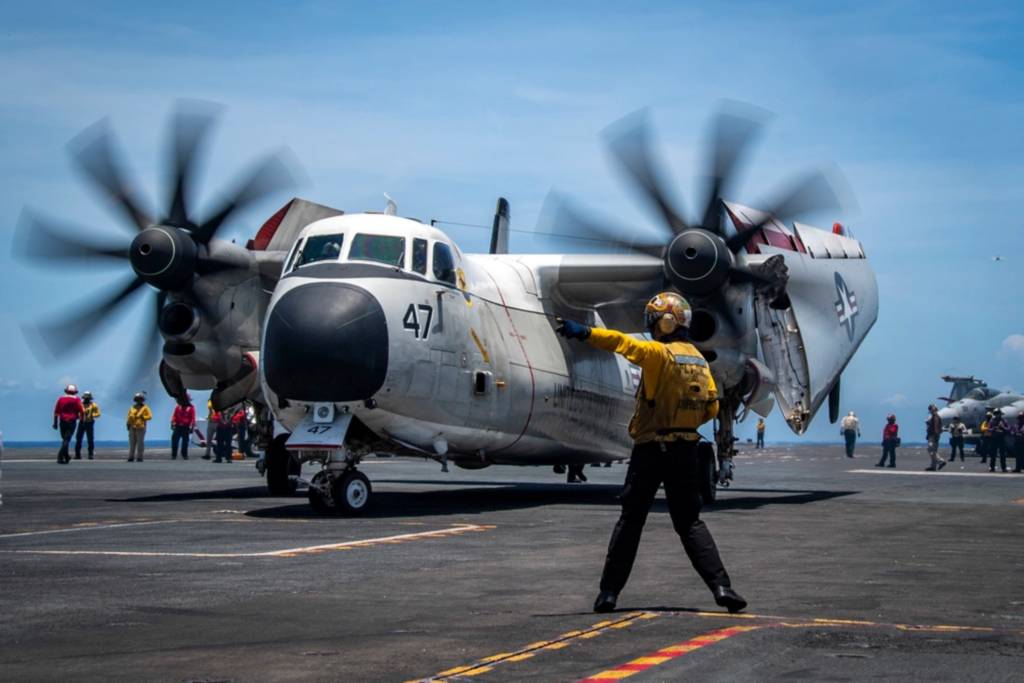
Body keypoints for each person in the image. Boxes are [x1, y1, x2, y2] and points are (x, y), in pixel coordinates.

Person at [556, 292, 746, 614]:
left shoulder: (659, 354)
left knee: (631, 521)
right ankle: (722, 587)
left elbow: (621, 343)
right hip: (686, 450)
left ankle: (608, 593)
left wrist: (584, 332)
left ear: (666, 322)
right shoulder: (699, 360)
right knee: (690, 523)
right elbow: (712, 406)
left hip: (651, 450)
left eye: (655, 321)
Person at [53, 384, 84, 464]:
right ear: (74, 392)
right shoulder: (76, 399)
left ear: (66, 391)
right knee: (67, 440)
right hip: (71, 421)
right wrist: (82, 419)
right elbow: (82, 411)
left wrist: (55, 423)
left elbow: (56, 412)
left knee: (64, 439)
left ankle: (66, 456)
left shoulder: (61, 399)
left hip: (62, 421)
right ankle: (60, 456)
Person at [74, 391, 101, 460]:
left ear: (90, 398)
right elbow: (76, 412)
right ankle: (77, 454)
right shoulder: (80, 404)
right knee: (78, 438)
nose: (86, 399)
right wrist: (78, 416)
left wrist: (92, 415)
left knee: (90, 439)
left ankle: (90, 454)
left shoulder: (93, 405)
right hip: (81, 422)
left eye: (87, 397)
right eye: (85, 397)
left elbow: (98, 413)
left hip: (89, 423)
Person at [126, 392, 152, 462]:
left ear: (142, 400)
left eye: (140, 399)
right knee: (132, 443)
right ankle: (131, 456)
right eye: (137, 399)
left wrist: (143, 417)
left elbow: (149, 416)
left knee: (140, 443)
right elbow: (128, 416)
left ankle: (140, 457)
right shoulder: (132, 407)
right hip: (132, 427)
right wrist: (128, 424)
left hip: (140, 427)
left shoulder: (145, 408)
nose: (138, 400)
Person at [170, 394, 196, 460]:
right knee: (174, 440)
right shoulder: (178, 407)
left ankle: (184, 455)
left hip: (186, 427)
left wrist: (192, 427)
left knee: (185, 441)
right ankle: (174, 455)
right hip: (178, 426)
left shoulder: (191, 408)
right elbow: (174, 416)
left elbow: (192, 418)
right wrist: (172, 423)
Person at [924, 405, 947, 471]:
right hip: (934, 435)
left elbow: (935, 427)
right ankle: (933, 466)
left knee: (930, 449)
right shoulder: (936, 417)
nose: (930, 410)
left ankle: (941, 461)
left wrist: (936, 435)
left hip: (933, 435)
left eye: (930, 409)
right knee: (934, 451)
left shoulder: (935, 417)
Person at [987, 409, 1009, 473]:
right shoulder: (992, 421)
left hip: (1001, 439)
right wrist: (993, 428)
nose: (997, 415)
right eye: (996, 413)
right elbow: (989, 429)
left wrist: (1002, 427)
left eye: (998, 413)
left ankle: (1004, 468)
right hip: (994, 439)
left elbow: (1008, 429)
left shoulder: (1004, 421)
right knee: (993, 454)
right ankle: (992, 467)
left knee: (1002, 454)